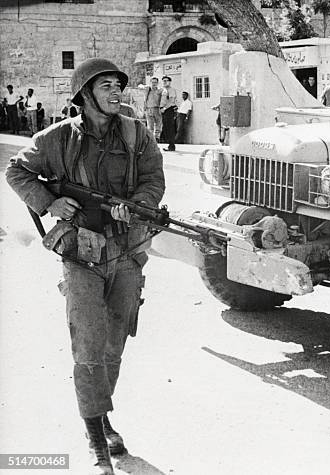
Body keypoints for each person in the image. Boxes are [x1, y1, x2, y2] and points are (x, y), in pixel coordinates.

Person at [5, 58, 165, 475]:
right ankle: (96, 439)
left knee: (114, 345)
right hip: (81, 254)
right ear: (85, 94)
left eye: (118, 85)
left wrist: (141, 207)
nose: (116, 93)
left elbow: (152, 179)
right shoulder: (57, 139)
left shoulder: (137, 134)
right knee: (89, 346)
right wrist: (49, 202)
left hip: (128, 252)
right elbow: (16, 170)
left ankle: (101, 415)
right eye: (106, 85)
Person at [139, 77, 162, 142]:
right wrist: (145, 86)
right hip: (149, 109)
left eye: (155, 82)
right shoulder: (148, 89)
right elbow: (140, 86)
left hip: (157, 109)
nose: (154, 84)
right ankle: (150, 139)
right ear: (150, 82)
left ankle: (157, 138)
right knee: (150, 125)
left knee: (158, 124)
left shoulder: (160, 90)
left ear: (157, 83)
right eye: (152, 82)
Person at [160, 75, 177, 151]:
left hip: (169, 109)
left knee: (170, 128)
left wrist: (164, 108)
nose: (165, 82)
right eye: (164, 81)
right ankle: (169, 144)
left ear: (170, 82)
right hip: (163, 110)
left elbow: (171, 101)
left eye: (166, 81)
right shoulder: (163, 90)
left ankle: (172, 146)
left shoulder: (171, 90)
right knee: (166, 128)